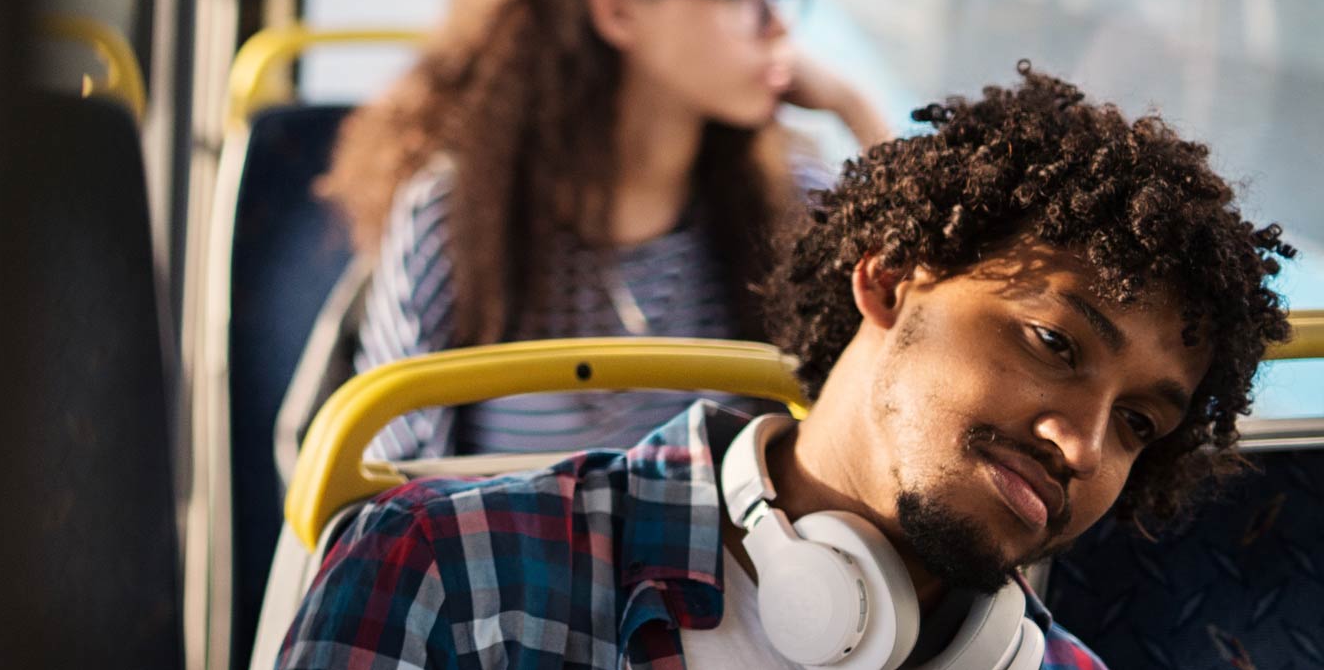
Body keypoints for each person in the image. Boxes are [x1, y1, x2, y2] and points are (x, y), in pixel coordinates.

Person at [280, 65, 1292, 669]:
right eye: (1054, 344)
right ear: (891, 281)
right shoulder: (445, 575)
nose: (1083, 443)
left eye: (1137, 428)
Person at [314, 0, 894, 464]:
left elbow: (901, 387)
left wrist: (856, 109)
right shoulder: (453, 222)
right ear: (616, 9)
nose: (778, 25)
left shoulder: (791, 202)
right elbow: (390, 495)